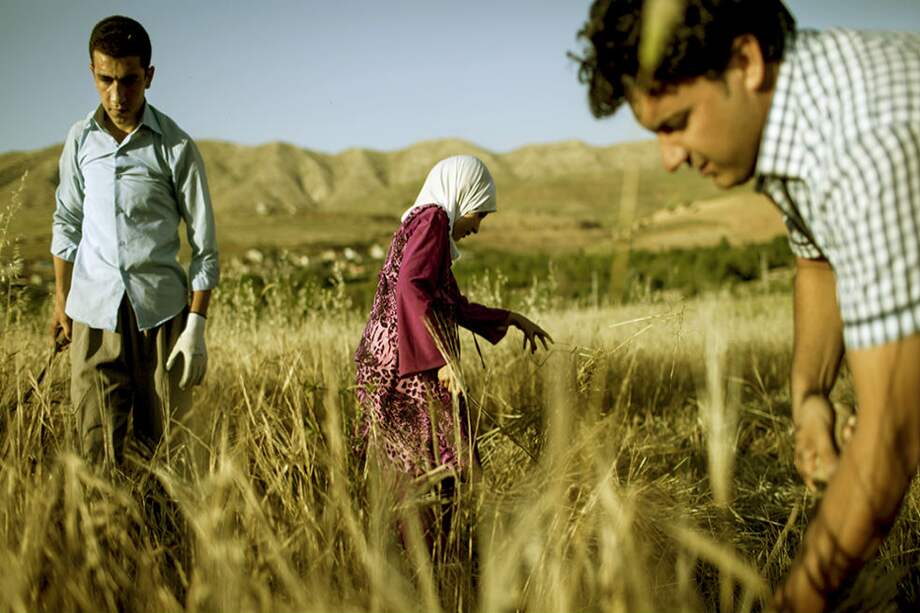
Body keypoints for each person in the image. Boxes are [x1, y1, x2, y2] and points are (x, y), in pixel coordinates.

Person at [574, 0, 920, 610]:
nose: (669, 159)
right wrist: (809, 397)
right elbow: (816, 259)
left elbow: (892, 440)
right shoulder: (797, 117)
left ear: (745, 61)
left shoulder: (862, 149)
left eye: (677, 122)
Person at [354, 155, 552, 547]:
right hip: (407, 370)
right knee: (431, 465)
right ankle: (429, 560)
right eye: (479, 214)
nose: (476, 228)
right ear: (462, 196)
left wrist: (511, 318)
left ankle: (422, 559)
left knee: (418, 466)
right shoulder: (434, 219)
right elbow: (411, 287)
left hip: (396, 364)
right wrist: (440, 358)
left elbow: (451, 305)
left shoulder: (425, 225)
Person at [50, 15, 219, 469]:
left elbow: (204, 247)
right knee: (95, 455)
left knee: (169, 457)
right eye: (105, 80)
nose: (117, 95)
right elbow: (67, 220)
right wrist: (62, 298)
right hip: (93, 315)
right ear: (92, 72)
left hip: (161, 319)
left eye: (129, 81)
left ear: (149, 76)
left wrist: (196, 328)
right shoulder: (80, 140)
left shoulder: (176, 147)